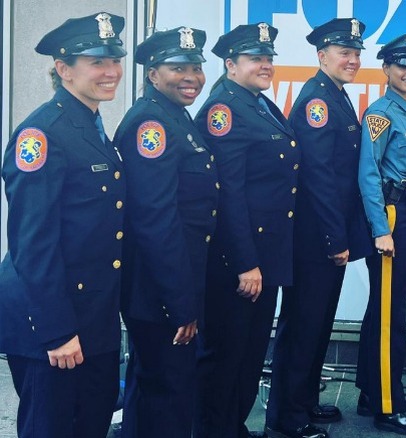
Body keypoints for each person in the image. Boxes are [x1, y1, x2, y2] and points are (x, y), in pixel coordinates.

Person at [0, 12, 126, 438]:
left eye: (115, 60)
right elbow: (32, 243)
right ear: (63, 69)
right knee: (51, 428)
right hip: (53, 322)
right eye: (97, 62)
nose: (111, 72)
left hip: (92, 317)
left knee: (90, 423)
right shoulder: (42, 134)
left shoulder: (89, 124)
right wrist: (56, 332)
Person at [264, 17, 373, 438]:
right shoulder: (317, 101)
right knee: (302, 327)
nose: (353, 60)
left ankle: (305, 400)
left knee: (319, 323)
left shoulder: (335, 95)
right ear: (322, 55)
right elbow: (318, 177)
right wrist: (335, 239)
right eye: (344, 53)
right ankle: (287, 417)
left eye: (356, 53)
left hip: (328, 235)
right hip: (315, 239)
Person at [193, 22, 298, 438]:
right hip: (240, 263)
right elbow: (228, 194)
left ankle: (233, 427)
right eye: (256, 58)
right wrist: (245, 262)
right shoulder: (223, 110)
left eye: (268, 58)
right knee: (226, 357)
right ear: (230, 64)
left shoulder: (256, 102)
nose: (265, 65)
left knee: (250, 354)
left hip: (264, 258)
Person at [114, 26, 218, 438]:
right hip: (159, 291)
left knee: (156, 387)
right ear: (153, 74)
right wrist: (180, 305)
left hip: (172, 283)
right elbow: (155, 221)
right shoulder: (150, 125)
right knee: (167, 394)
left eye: (196, 67)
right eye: (178, 68)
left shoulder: (173, 115)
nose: (191, 77)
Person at [355, 33, 406, 436]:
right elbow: (368, 174)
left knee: (383, 309)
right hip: (391, 219)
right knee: (392, 316)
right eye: (402, 64)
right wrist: (381, 230)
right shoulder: (381, 114)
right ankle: (390, 406)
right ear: (386, 68)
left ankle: (370, 391)